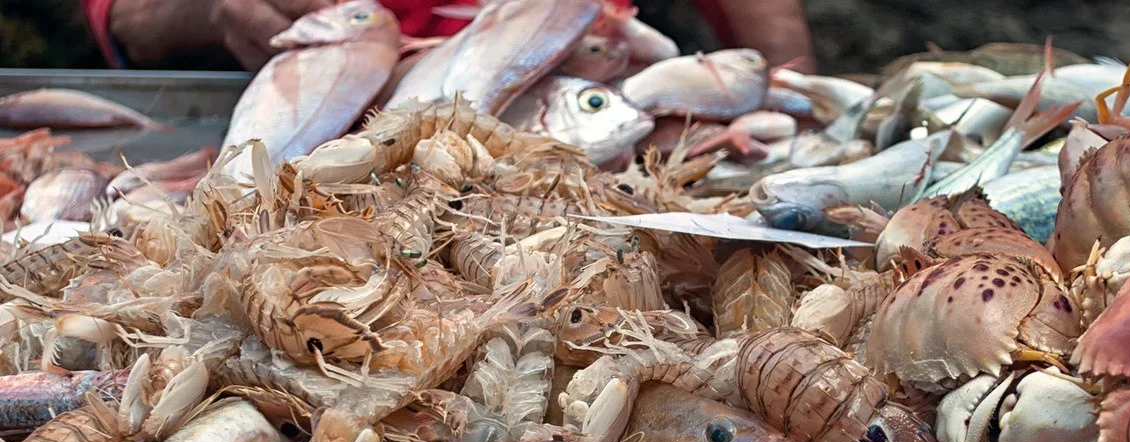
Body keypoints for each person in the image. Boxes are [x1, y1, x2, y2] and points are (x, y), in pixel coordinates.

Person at [84, 0, 816, 74]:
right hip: (332, 103)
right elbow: (124, 13)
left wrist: (794, 85)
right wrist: (211, 10)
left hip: (587, 85)